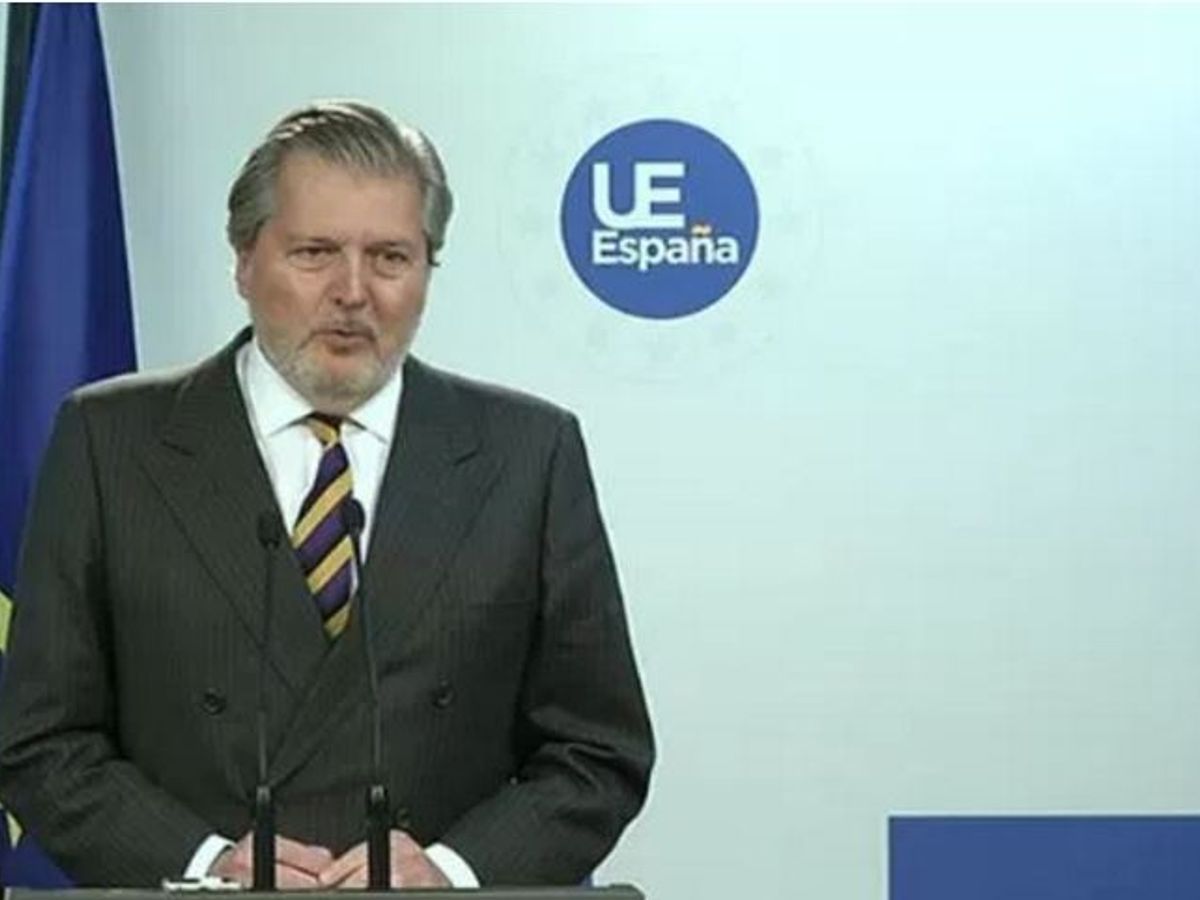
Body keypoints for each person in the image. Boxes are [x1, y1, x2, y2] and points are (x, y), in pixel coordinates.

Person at [0, 101, 654, 889]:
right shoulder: (110, 441)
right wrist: (208, 866)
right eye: (314, 253)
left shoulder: (528, 454)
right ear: (245, 261)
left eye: (390, 258)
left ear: (427, 272)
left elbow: (598, 752)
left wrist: (451, 872)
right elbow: (42, 741)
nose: (353, 292)